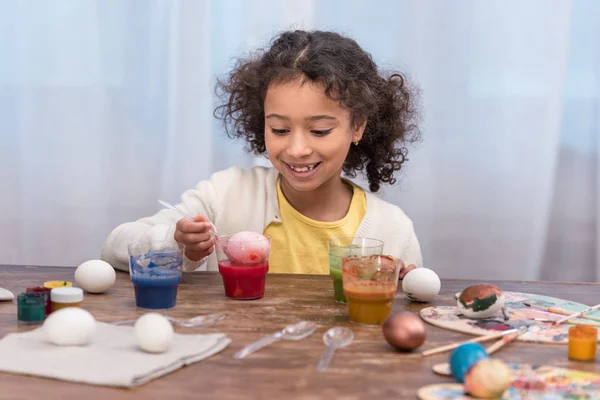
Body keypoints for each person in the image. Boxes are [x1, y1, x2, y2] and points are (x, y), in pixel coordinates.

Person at [101, 29, 424, 277]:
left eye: (320, 131)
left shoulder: (391, 228)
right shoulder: (226, 194)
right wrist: (177, 245)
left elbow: (406, 319)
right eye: (280, 130)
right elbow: (115, 247)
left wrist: (408, 293)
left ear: (357, 128)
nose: (297, 149)